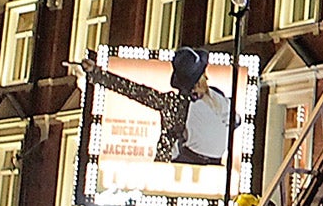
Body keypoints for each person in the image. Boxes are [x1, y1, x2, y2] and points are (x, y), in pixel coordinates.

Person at [73, 46, 230, 165]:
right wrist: (97, 74)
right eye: (203, 74)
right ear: (197, 80)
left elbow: (235, 121)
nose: (207, 77)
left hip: (216, 170)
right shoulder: (176, 104)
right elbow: (135, 91)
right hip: (184, 169)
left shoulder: (216, 97)